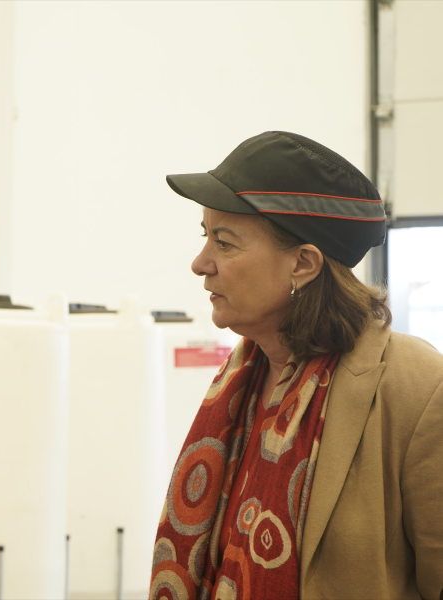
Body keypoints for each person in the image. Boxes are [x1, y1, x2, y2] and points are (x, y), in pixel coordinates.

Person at [150, 131, 443, 600]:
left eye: (224, 243)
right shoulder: (239, 381)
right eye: (206, 237)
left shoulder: (419, 388)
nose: (200, 263)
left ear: (303, 264)